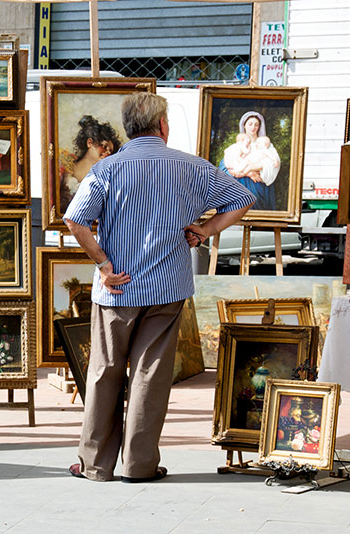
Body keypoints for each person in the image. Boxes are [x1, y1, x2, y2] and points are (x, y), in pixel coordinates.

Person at [63, 92, 255, 483]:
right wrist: (206, 229)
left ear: (128, 128)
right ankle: (140, 466)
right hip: (167, 288)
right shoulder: (193, 167)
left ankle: (96, 466)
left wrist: (102, 264)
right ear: (163, 126)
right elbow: (243, 196)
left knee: (104, 373)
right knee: (150, 375)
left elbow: (75, 221)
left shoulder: (107, 169)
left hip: (117, 290)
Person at [59, 115, 122, 214]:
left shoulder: (106, 177)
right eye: (104, 146)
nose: (108, 152)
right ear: (90, 143)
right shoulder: (65, 167)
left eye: (110, 151)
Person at [220, 111, 280, 211]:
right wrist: (249, 173)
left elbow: (274, 163)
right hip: (240, 187)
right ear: (244, 125)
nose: (253, 127)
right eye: (250, 124)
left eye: (256, 124)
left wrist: (254, 166)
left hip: (259, 187)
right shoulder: (238, 146)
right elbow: (225, 166)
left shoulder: (265, 144)